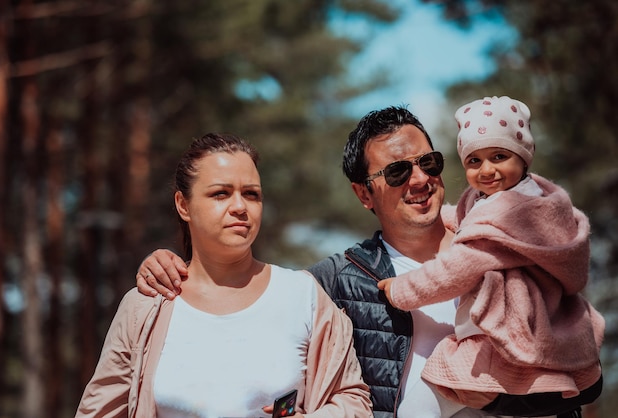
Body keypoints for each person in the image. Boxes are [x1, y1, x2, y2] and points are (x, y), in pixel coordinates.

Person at [136, 106, 591, 418]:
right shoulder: (335, 281)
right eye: (396, 171)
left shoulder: (508, 245)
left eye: (428, 163)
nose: (420, 179)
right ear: (363, 194)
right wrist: (171, 265)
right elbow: (243, 302)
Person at [75, 133, 373, 418]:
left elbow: (354, 402)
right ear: (183, 205)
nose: (240, 207)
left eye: (251, 194)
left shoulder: (303, 295)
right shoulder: (146, 306)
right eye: (221, 193)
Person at [377, 96, 605, 415]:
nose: (486, 170)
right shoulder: (523, 201)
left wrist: (401, 290)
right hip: (532, 337)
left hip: (501, 342)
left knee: (417, 409)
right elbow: (470, 218)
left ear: (524, 157)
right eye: (474, 161)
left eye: (499, 156)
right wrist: (435, 216)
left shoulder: (509, 215)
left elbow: (456, 269)